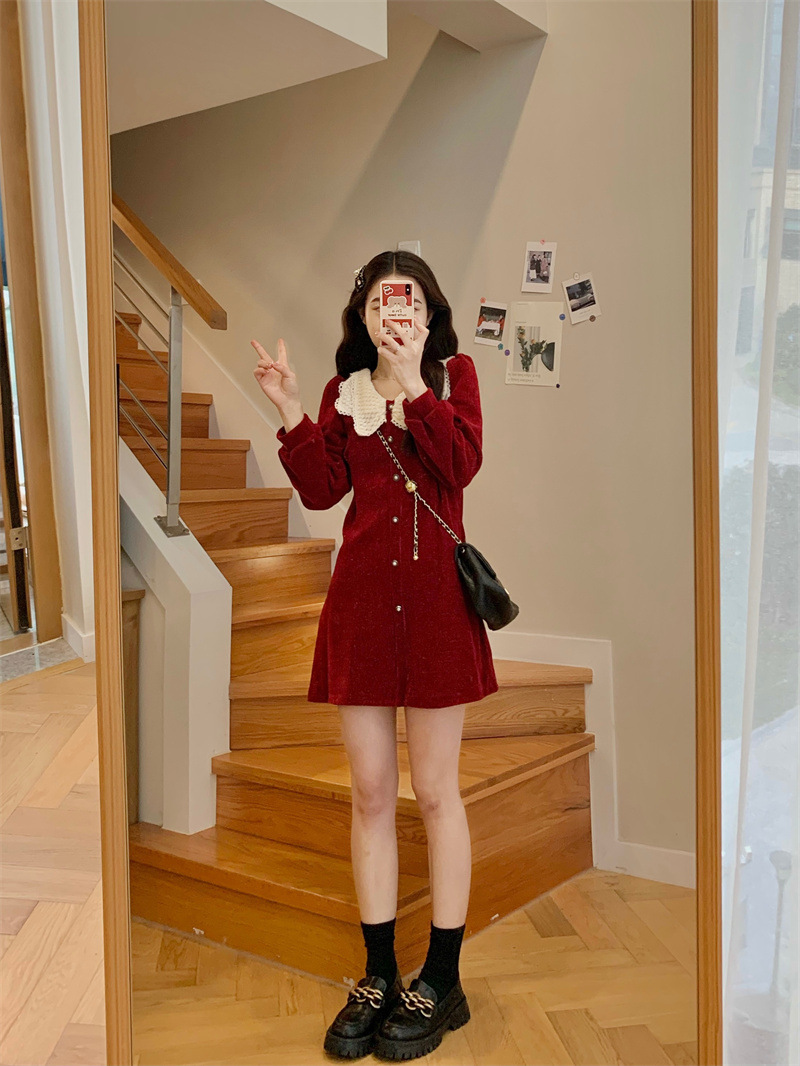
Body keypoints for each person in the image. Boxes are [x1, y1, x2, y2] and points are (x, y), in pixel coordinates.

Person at [252, 250, 497, 1060]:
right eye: (383, 305)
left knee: (438, 793)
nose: (397, 315)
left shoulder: (454, 379)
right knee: (368, 795)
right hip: (359, 611)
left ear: (428, 314)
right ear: (363, 316)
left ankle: (443, 979)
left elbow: (460, 466)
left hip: (436, 614)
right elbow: (323, 491)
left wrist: (416, 385)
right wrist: (292, 410)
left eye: (411, 303)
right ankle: (380, 974)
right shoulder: (343, 393)